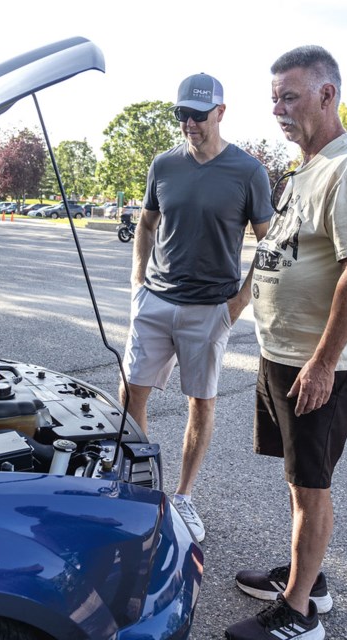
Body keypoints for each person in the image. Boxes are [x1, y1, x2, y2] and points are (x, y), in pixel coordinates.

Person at [225, 46, 347, 640]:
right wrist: (241, 305)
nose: (278, 109)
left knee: (311, 486)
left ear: (327, 95)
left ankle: (300, 614)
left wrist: (323, 364)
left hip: (320, 366)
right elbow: (281, 252)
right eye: (274, 97)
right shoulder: (306, 169)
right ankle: (308, 576)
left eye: (289, 96)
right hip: (282, 356)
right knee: (298, 480)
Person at [120, 73, 273, 543]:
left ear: (221, 113)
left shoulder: (248, 172)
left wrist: (239, 302)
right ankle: (135, 487)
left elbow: (270, 246)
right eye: (182, 114)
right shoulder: (164, 165)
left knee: (200, 403)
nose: (189, 124)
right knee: (129, 395)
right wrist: (137, 280)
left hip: (210, 309)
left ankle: (183, 496)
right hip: (155, 301)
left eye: (198, 115)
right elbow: (145, 225)